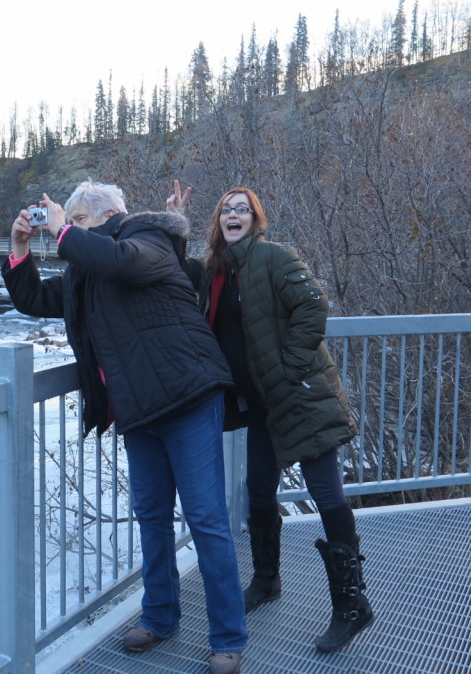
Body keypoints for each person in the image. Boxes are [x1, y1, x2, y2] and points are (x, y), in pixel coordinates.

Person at [1, 181, 248, 674]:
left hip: (188, 396)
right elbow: (32, 299)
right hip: (139, 410)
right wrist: (20, 246)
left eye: (77, 223)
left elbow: (121, 261)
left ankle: (228, 638)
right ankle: (159, 617)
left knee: (205, 519)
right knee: (151, 516)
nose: (68, 237)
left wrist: (64, 230)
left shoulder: (147, 237)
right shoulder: (82, 275)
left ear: (102, 218)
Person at [168, 180, 373, 653]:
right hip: (260, 405)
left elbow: (313, 306)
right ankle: (266, 581)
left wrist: (288, 369)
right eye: (226, 210)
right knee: (258, 488)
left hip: (301, 397)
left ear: (255, 220)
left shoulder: (275, 257)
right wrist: (176, 222)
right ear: (219, 223)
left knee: (326, 495)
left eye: (243, 209)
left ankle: (351, 606)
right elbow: (174, 270)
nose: (233, 215)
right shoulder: (216, 271)